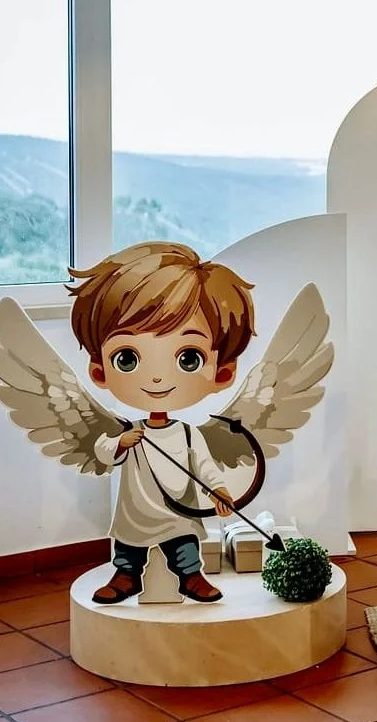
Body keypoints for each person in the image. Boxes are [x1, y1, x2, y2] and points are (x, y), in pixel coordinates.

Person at [68, 242, 256, 603]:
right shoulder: (129, 432)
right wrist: (120, 443)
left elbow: (204, 465)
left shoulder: (187, 433)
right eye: (127, 358)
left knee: (184, 543)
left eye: (188, 358)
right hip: (136, 510)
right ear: (99, 370)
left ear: (222, 372)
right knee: (128, 547)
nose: (156, 378)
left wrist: (218, 490)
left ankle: (191, 577)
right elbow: (103, 452)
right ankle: (125, 577)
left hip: (177, 510)